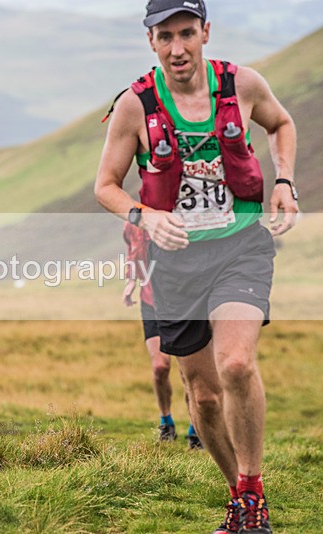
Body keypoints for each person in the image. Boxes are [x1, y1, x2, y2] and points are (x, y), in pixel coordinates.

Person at [95, 1, 297, 532]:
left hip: (240, 247)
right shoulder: (135, 106)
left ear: (206, 32)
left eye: (187, 33)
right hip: (175, 262)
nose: (178, 48)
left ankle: (253, 494)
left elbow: (281, 124)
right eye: (166, 37)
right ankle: (236, 490)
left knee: (235, 364)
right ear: (151, 41)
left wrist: (283, 181)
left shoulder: (242, 85)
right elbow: (106, 187)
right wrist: (146, 216)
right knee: (203, 395)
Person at [123, 222, 203, 450]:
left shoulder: (179, 219)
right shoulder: (134, 224)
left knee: (188, 371)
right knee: (160, 367)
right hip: (151, 302)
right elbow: (134, 251)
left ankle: (196, 426)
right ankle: (166, 422)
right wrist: (131, 281)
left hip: (183, 302)